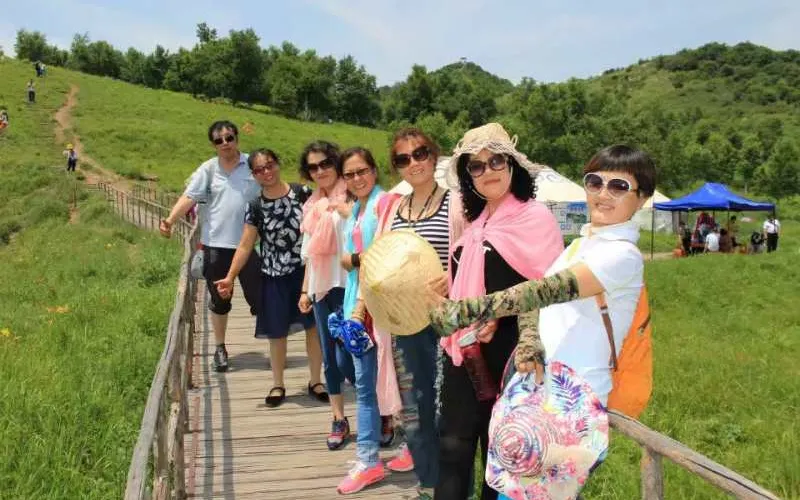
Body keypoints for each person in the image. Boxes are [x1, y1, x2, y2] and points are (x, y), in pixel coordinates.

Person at [428, 144, 657, 499]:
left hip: (573, 402)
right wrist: (529, 340)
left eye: (619, 186)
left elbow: (543, 291)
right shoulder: (580, 245)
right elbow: (536, 305)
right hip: (541, 395)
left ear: (641, 198)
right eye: (595, 182)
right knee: (511, 492)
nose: (603, 194)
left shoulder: (622, 255)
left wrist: (462, 312)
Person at [436, 123, 563, 500]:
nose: (487, 170)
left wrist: (499, 314)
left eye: (496, 161)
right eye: (476, 166)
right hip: (464, 351)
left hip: (513, 355)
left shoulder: (535, 218)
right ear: (468, 177)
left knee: (504, 457)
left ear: (512, 165)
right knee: (453, 447)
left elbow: (549, 290)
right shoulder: (473, 224)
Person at [374, 127, 467, 500]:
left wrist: (453, 276)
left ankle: (454, 489)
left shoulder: (457, 204)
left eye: (420, 153)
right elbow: (379, 262)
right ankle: (428, 484)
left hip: (446, 324)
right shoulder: (392, 208)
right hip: (404, 324)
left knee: (450, 410)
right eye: (403, 158)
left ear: (434, 155)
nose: (413, 163)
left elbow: (473, 257)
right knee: (414, 410)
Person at [215, 149, 324, 408]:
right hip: (274, 275)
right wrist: (230, 277)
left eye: (270, 165)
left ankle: (316, 380)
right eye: (259, 169)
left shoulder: (302, 194)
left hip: (306, 272)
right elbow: (245, 245)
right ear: (253, 175)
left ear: (278, 164)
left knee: (313, 329)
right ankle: (278, 383)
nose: (267, 172)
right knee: (277, 332)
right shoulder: (255, 206)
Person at [161, 120, 262, 372]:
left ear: (237, 138)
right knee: (219, 300)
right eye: (219, 140)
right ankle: (219, 348)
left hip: (248, 244)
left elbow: (271, 188)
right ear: (213, 145)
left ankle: (274, 342)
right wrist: (170, 220)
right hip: (216, 245)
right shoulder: (208, 169)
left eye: (229, 138)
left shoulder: (252, 165)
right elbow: (189, 197)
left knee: (260, 296)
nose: (225, 143)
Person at [335, 147, 398, 494]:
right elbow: (348, 259)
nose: (357, 178)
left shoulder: (383, 203)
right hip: (357, 303)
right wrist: (352, 260)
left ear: (374, 171)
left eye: (362, 171)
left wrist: (353, 259)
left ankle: (370, 458)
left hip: (375, 306)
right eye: (350, 174)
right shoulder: (359, 208)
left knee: (374, 383)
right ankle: (373, 454)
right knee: (366, 383)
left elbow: (382, 252)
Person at [297, 141, 357, 450]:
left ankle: (382, 412)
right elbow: (310, 254)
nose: (320, 171)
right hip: (321, 287)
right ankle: (338, 418)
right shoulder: (312, 205)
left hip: (350, 285)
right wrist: (305, 290)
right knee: (329, 358)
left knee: (352, 354)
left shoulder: (353, 195)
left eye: (325, 164)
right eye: (313, 167)